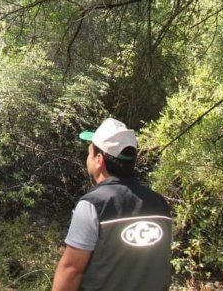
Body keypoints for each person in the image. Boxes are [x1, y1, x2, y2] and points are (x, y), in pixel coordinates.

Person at [51, 117, 172, 291]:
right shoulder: (160, 205)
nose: (88, 158)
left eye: (89, 153)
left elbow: (72, 269)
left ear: (99, 159)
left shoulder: (93, 205)